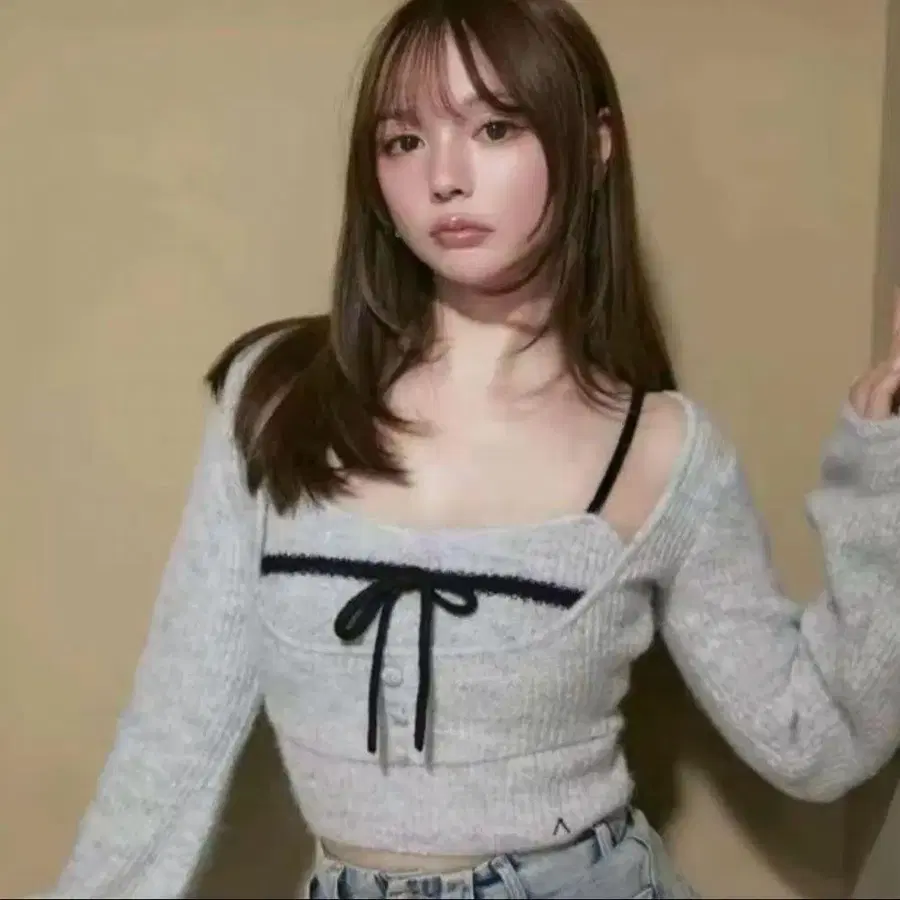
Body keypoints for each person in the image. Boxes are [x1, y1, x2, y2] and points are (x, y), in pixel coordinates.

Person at [32, 0, 900, 898]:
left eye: (494, 128)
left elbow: (814, 739)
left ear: (596, 145)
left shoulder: (664, 451)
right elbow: (171, 739)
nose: (444, 178)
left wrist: (885, 474)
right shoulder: (276, 400)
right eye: (404, 140)